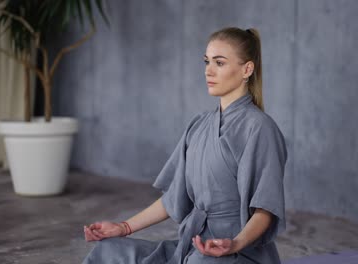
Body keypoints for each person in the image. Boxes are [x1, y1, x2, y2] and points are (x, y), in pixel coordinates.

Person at [82, 27, 288, 264]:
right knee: (108, 251)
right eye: (206, 61)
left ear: (247, 69)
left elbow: (266, 210)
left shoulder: (260, 128)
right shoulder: (198, 125)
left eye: (219, 63)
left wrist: (235, 244)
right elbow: (173, 199)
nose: (208, 71)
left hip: (240, 252)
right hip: (194, 246)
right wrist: (122, 227)